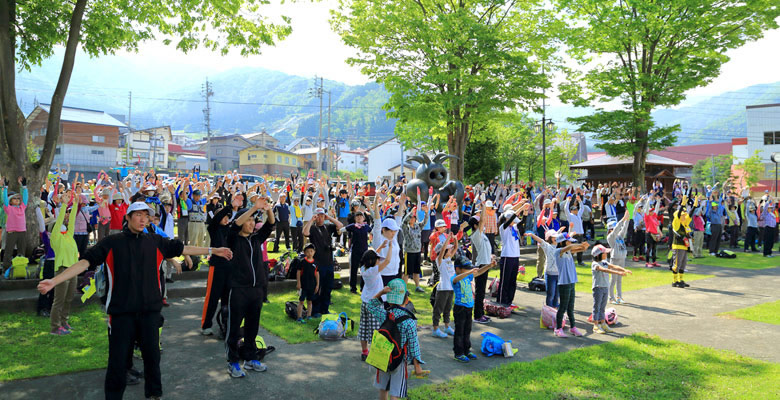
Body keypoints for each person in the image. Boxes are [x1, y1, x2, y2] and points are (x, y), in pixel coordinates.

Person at [37, 201, 232, 399]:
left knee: (152, 359)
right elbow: (84, 263)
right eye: (137, 215)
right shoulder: (112, 243)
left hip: (150, 313)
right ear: (128, 217)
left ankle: (154, 394)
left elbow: (183, 248)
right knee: (117, 363)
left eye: (146, 216)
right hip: (121, 314)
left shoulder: (155, 241)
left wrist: (213, 251)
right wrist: (54, 281)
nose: (142, 219)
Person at [225, 195, 275, 378]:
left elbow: (270, 224)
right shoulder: (233, 239)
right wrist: (253, 208)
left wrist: (267, 208)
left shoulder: (256, 239)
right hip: (238, 289)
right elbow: (235, 226)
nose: (252, 223)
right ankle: (232, 362)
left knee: (252, 328)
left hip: (256, 290)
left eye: (254, 220)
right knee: (234, 329)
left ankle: (250, 358)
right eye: (250, 219)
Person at [366, 280, 430, 399]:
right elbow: (413, 345)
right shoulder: (409, 321)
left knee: (383, 388)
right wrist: (417, 366)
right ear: (406, 300)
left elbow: (370, 304)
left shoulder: (385, 314)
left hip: (383, 356)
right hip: (399, 360)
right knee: (395, 393)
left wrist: (381, 292)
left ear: (389, 300)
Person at [201, 200, 237, 337]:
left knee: (227, 298)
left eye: (228, 216)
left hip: (229, 268)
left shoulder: (230, 230)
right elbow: (216, 219)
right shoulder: (213, 228)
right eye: (224, 216)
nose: (226, 219)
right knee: (212, 298)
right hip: (216, 267)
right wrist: (228, 206)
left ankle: (225, 324)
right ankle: (206, 325)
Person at [451, 255, 494, 362]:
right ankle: (459, 353)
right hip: (460, 308)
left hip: (469, 308)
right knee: (459, 331)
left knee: (467, 330)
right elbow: (456, 279)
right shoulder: (455, 278)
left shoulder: (468, 276)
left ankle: (466, 350)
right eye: (466, 268)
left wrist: (489, 266)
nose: (469, 270)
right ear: (457, 269)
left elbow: (478, 272)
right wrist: (469, 272)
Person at [303, 207, 343, 316]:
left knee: (328, 287)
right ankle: (315, 310)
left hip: (329, 261)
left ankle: (325, 309)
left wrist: (329, 217)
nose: (320, 218)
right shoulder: (313, 228)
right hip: (317, 263)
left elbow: (340, 226)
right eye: (318, 216)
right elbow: (305, 232)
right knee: (317, 287)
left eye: (322, 216)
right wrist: (311, 220)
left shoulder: (328, 227)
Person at [49, 192, 79, 335]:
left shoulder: (69, 235)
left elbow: (71, 220)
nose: (63, 225)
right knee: (59, 300)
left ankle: (64, 321)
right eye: (59, 225)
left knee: (69, 298)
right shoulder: (55, 238)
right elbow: (61, 219)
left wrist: (76, 204)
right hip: (62, 270)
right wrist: (64, 204)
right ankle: (55, 327)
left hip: (73, 270)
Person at [357, 241, 392, 361]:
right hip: (375, 303)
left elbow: (370, 257)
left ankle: (364, 351)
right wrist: (390, 248)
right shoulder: (373, 271)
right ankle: (377, 353)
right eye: (377, 259)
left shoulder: (364, 268)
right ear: (373, 261)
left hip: (365, 301)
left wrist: (379, 248)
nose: (379, 261)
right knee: (376, 328)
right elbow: (387, 261)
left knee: (364, 327)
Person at [552, 233, 589, 338]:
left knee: (571, 307)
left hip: (571, 281)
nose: (570, 242)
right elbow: (570, 247)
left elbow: (579, 249)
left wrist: (583, 247)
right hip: (564, 282)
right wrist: (579, 244)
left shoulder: (568, 251)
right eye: (568, 240)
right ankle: (558, 328)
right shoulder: (557, 251)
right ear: (562, 242)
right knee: (563, 306)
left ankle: (573, 327)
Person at [590, 245, 630, 334]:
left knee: (602, 307)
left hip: (605, 287)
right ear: (598, 255)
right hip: (598, 288)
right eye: (604, 253)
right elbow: (604, 270)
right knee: (597, 307)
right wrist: (618, 273)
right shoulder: (595, 264)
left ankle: (603, 323)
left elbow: (613, 266)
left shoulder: (604, 262)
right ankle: (596, 325)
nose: (606, 254)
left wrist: (624, 269)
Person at [432, 233, 456, 339]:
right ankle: (435, 329)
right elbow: (441, 252)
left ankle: (447, 326)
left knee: (447, 308)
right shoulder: (440, 260)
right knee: (438, 309)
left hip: (451, 288)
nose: (450, 251)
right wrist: (447, 241)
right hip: (443, 289)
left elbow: (455, 248)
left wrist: (454, 239)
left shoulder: (449, 259)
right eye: (448, 249)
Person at [1, 177, 28, 275]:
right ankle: (6, 269)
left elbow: (25, 198)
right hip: (11, 232)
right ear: (10, 201)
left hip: (22, 232)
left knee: (21, 251)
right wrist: (6, 187)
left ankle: (21, 268)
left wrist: (24, 187)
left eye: (18, 198)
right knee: (8, 251)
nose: (17, 200)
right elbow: (4, 199)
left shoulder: (22, 207)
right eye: (14, 198)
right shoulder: (8, 208)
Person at [401, 201, 429, 292]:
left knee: (416, 271)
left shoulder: (418, 226)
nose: (412, 219)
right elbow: (404, 222)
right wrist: (410, 213)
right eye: (411, 217)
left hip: (417, 251)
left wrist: (426, 213)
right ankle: (404, 288)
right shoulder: (406, 227)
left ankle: (417, 286)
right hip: (409, 252)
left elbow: (425, 222)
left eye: (414, 217)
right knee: (407, 272)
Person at [342, 209, 372, 293]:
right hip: (355, 250)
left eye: (360, 216)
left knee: (364, 270)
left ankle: (363, 287)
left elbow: (373, 232)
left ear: (363, 218)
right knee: (354, 270)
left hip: (364, 251)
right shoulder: (352, 226)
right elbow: (343, 229)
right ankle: (353, 288)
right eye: (357, 216)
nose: (359, 218)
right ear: (355, 218)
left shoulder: (366, 227)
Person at [606, 211, 631, 304]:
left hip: (622, 259)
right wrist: (622, 219)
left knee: (620, 279)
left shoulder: (620, 236)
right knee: (613, 279)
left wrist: (627, 220)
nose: (616, 229)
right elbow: (617, 229)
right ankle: (611, 297)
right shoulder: (610, 237)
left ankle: (619, 296)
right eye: (613, 227)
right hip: (615, 259)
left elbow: (624, 229)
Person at [296, 243, 319, 323]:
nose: (310, 253)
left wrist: (317, 285)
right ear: (305, 252)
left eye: (311, 251)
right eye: (308, 251)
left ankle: (309, 315)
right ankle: (299, 317)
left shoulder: (315, 263)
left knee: (310, 301)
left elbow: (317, 274)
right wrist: (298, 283)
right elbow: (298, 272)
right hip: (303, 285)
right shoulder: (302, 262)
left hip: (312, 285)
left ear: (314, 252)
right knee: (301, 301)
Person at [671, 206, 693, 287]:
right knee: (677, 264)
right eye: (682, 215)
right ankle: (674, 280)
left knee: (683, 264)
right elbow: (677, 216)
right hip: (677, 246)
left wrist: (694, 206)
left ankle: (680, 279)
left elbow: (690, 215)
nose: (684, 216)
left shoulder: (684, 225)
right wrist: (683, 204)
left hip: (684, 246)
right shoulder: (676, 223)